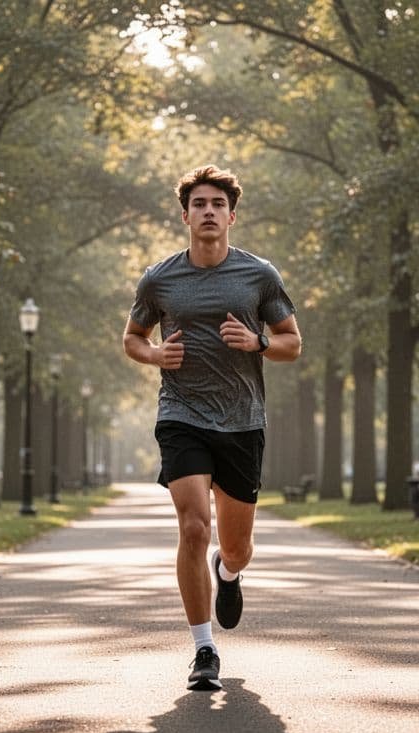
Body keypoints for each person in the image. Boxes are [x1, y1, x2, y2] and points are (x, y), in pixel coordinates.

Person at [123, 164, 302, 691]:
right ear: (185, 215)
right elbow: (132, 338)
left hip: (242, 422)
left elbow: (293, 341)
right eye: (198, 204)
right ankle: (204, 649)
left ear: (231, 216)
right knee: (194, 526)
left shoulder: (258, 275)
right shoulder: (159, 279)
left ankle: (229, 570)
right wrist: (155, 354)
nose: (208, 212)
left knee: (236, 544)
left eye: (217, 205)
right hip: (181, 415)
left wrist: (259, 343)